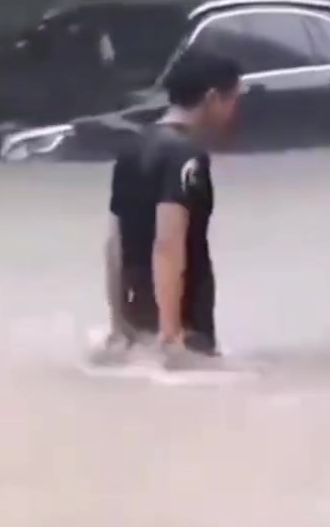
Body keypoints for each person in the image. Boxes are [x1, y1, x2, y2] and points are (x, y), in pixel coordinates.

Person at [96, 50, 243, 365]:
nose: (234, 111)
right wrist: (172, 337)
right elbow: (168, 243)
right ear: (213, 98)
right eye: (233, 100)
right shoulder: (187, 158)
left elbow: (114, 246)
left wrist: (118, 326)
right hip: (183, 325)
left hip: (138, 321)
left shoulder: (132, 150)